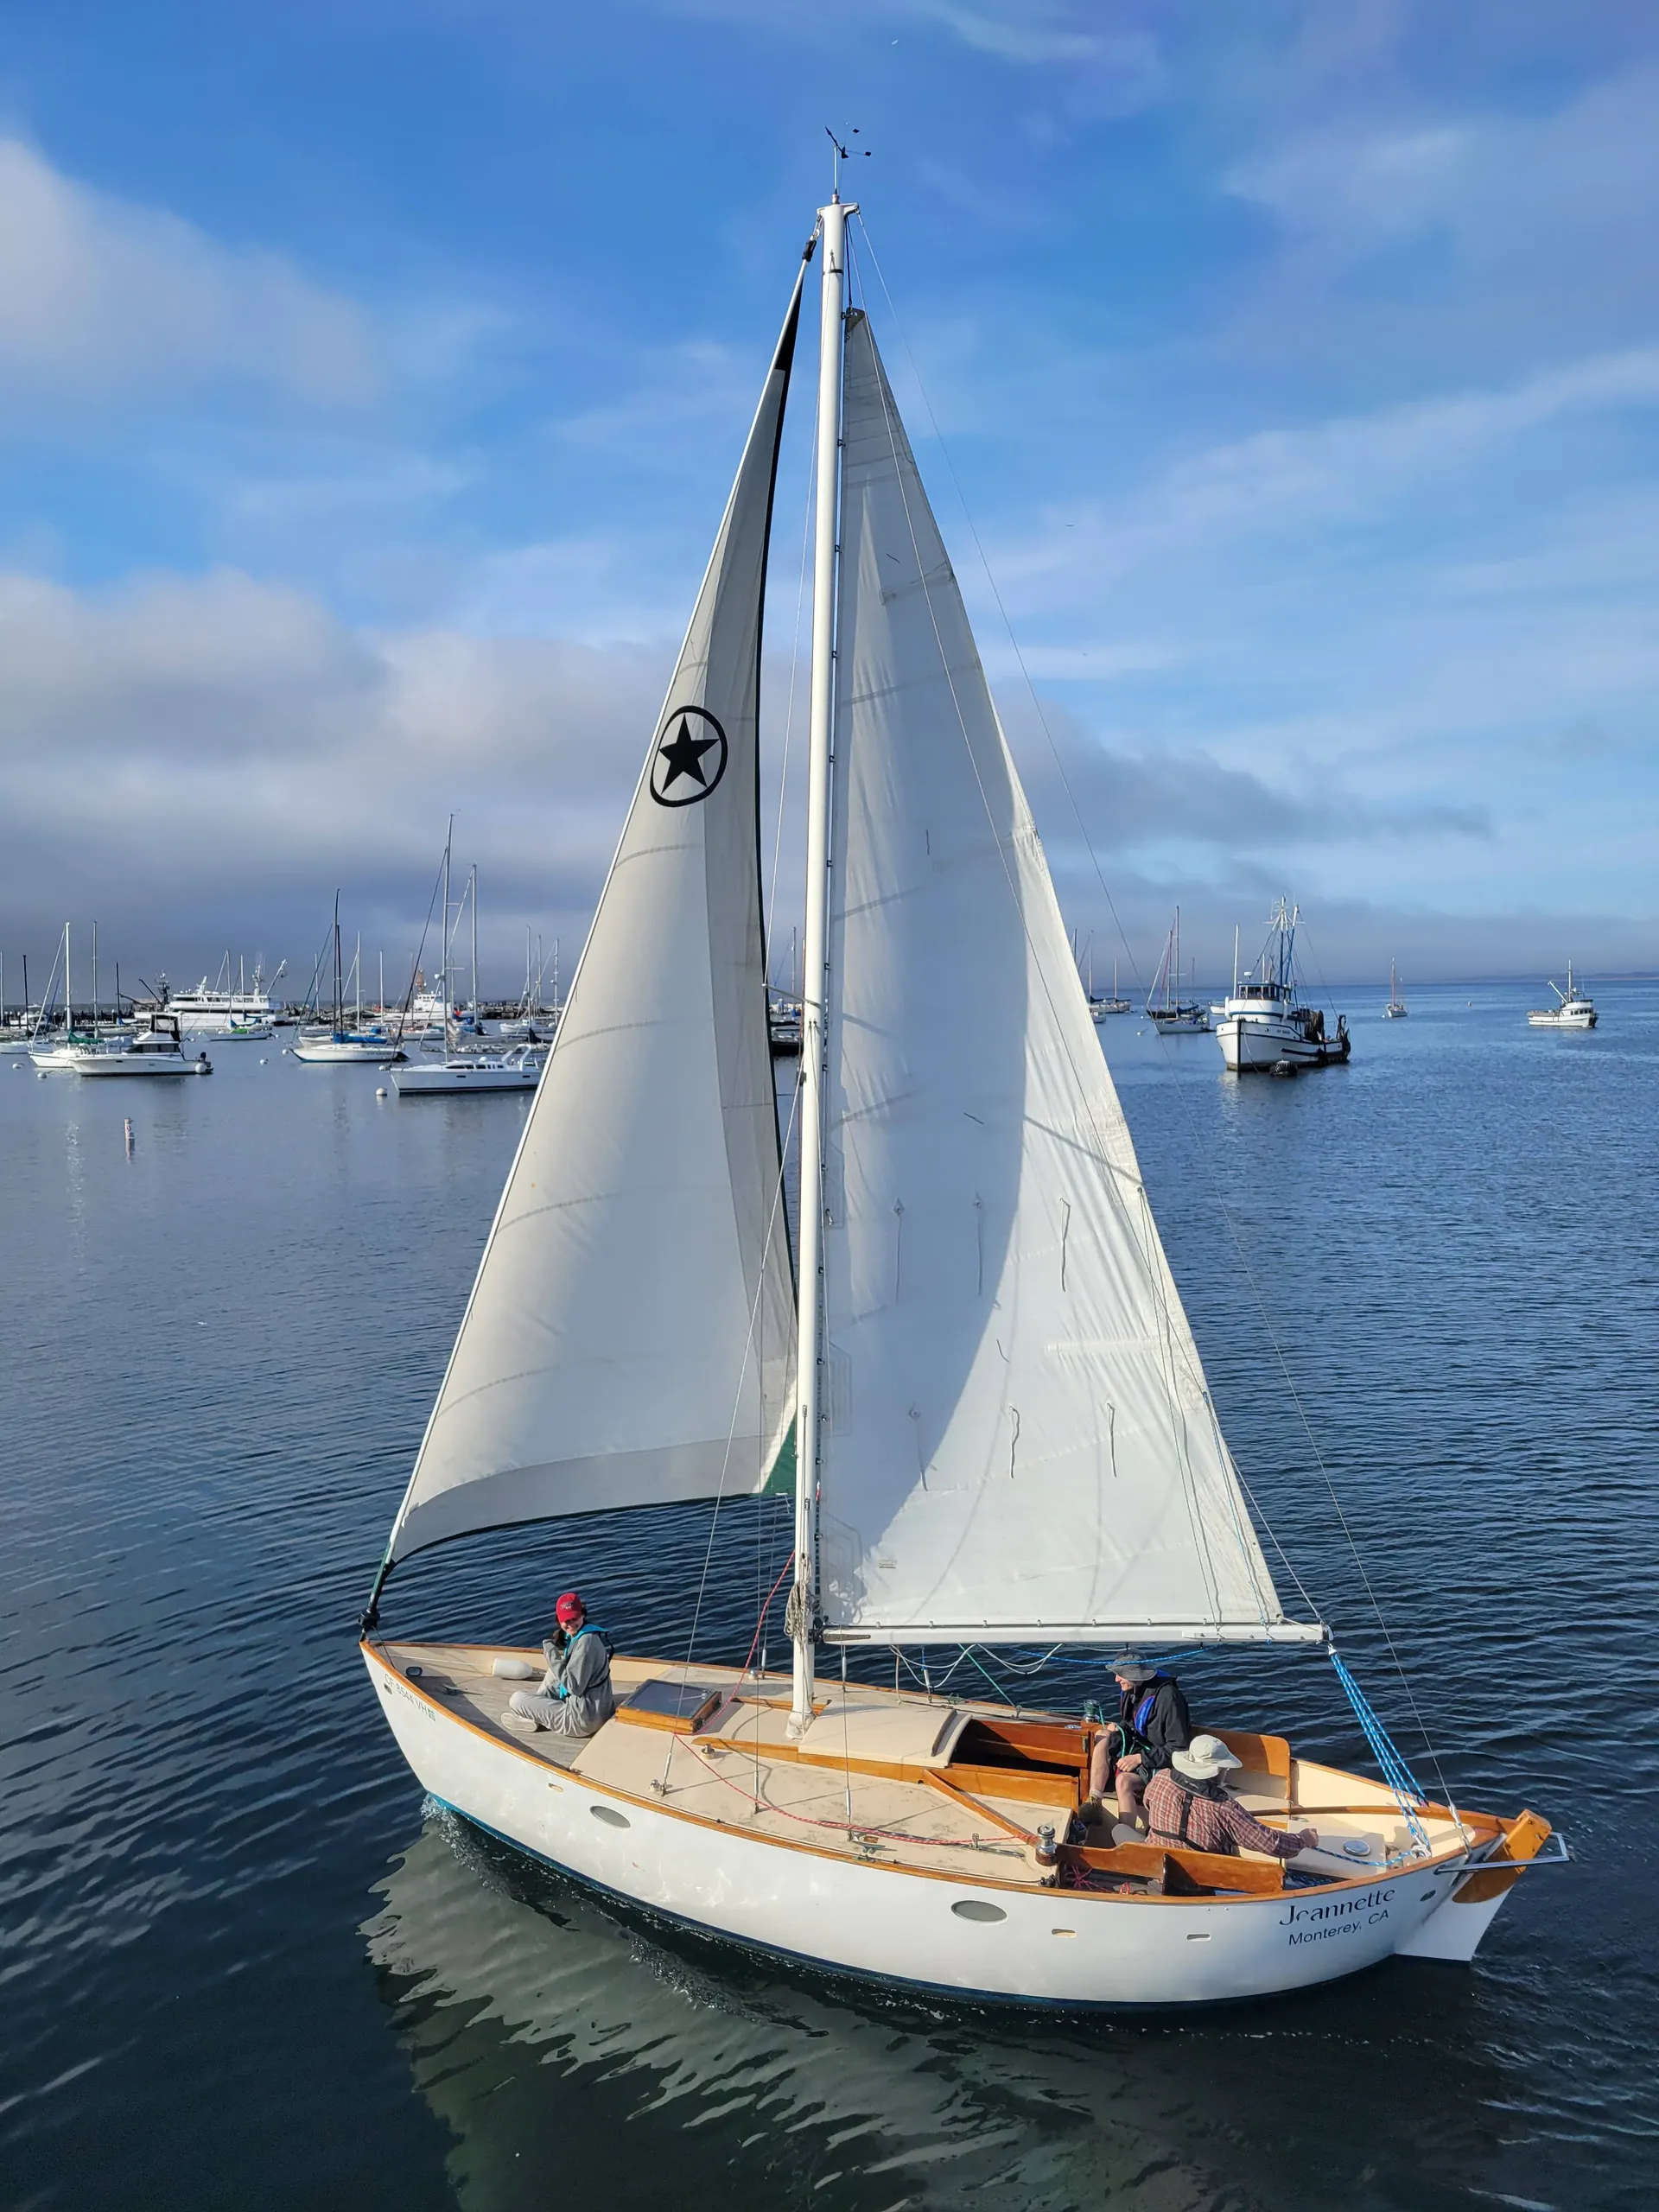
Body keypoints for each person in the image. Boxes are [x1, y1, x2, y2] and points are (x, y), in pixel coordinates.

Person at [1143, 1735, 1318, 1859]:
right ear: (1216, 1771)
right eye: (1225, 1768)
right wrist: (1302, 1839)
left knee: (1119, 1831)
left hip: (1156, 1864)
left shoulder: (1161, 1778)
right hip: (1198, 1880)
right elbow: (1272, 1844)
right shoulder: (1224, 1807)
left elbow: (1147, 1804)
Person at [1085, 1656, 1192, 1829]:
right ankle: (1094, 1801)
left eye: (1121, 1675)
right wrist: (1118, 1728)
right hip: (1140, 1747)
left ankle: (1125, 1837)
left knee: (1123, 1781)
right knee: (1102, 1735)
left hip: (1161, 1761)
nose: (1116, 1679)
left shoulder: (1170, 1700)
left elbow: (1178, 1749)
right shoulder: (1134, 1690)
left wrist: (1139, 1759)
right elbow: (1132, 1724)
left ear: (1137, 1675)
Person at [507, 1591, 615, 1736]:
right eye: (566, 1620)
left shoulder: (585, 1644)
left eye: (574, 1618)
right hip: (600, 1710)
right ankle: (537, 1711)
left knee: (516, 1700)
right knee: (554, 1672)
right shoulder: (588, 1635)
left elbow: (575, 1687)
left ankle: (534, 1714)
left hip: (581, 1721)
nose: (571, 1624)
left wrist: (551, 1654)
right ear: (559, 1620)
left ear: (583, 1614)